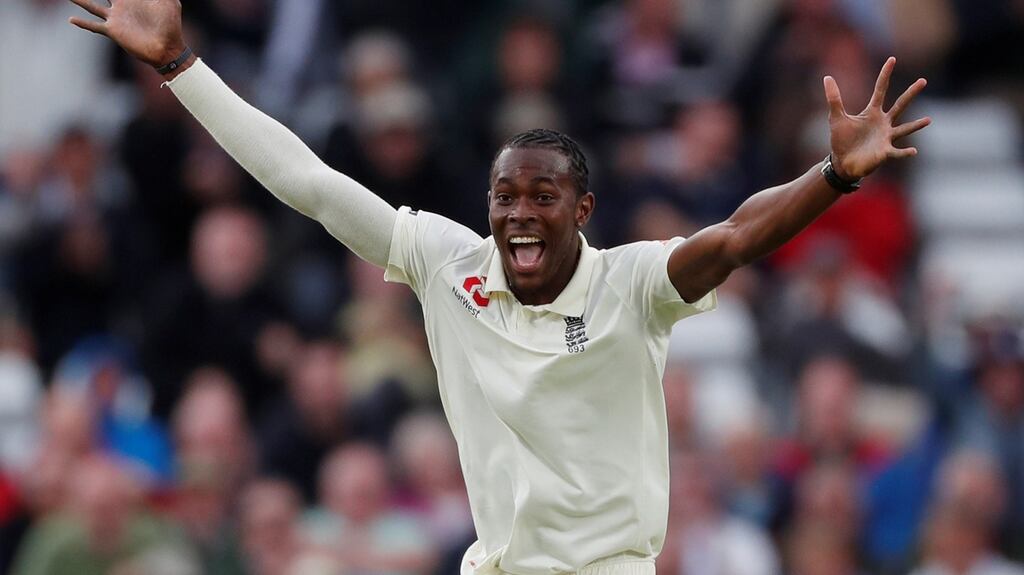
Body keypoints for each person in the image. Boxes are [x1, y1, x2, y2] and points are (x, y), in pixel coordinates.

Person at [64, 1, 931, 573]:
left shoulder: (631, 283)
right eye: (504, 196)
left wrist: (831, 175)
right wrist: (183, 66)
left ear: (583, 208)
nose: (518, 214)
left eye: (541, 197)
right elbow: (311, 182)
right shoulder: (450, 265)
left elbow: (739, 234)